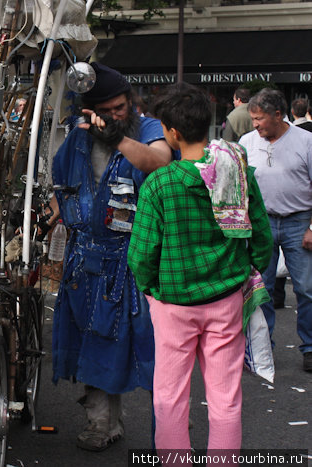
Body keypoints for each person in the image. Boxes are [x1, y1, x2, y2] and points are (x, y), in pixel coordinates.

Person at [128, 83, 272, 463]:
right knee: (225, 397)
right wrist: (251, 269)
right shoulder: (237, 169)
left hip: (173, 301)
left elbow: (142, 252)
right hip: (225, 296)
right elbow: (260, 233)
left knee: (170, 395)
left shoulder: (160, 184)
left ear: (172, 133)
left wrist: (150, 288)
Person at [51, 63, 172, 451]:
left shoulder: (148, 128)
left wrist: (117, 134)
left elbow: (160, 162)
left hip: (135, 259)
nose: (115, 115)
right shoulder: (79, 136)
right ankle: (102, 424)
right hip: (85, 258)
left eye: (120, 107)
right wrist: (53, 210)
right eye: (106, 110)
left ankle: (169, 439)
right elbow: (60, 181)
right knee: (93, 340)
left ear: (131, 101)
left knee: (157, 351)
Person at [239, 88, 312, 372]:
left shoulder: (306, 141)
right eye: (253, 118)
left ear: (278, 115)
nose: (255, 124)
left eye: (259, 118)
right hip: (261, 222)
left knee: (306, 289)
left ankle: (309, 347)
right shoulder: (247, 141)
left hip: (298, 221)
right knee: (261, 289)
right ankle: (261, 349)